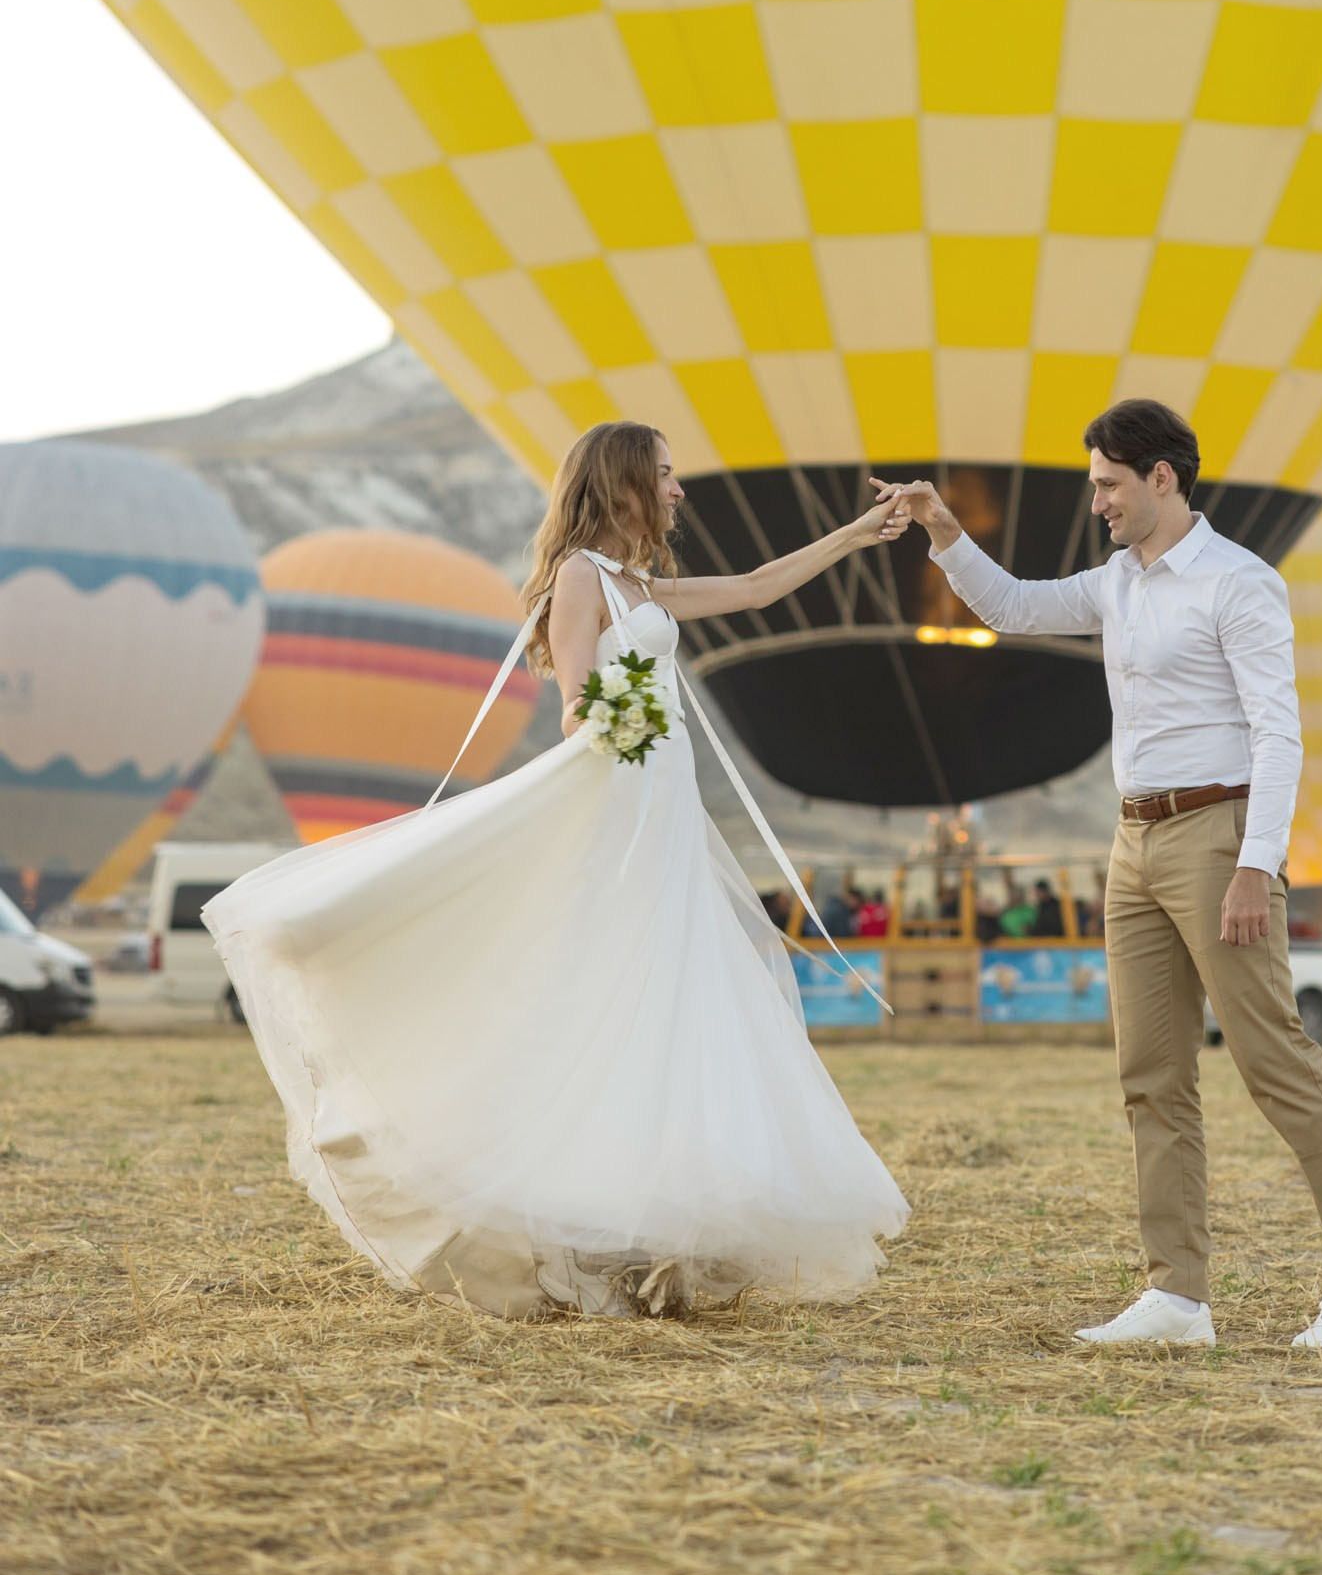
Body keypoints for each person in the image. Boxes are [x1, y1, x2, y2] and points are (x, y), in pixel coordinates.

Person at [208, 423, 911, 1320]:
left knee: (673, 997)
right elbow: (580, 708)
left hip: (664, 810)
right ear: (622, 484)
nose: (677, 491)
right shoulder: (582, 577)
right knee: (609, 990)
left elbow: (754, 587)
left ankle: (659, 1235)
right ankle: (588, 1229)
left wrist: (855, 533)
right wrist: (621, 733)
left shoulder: (637, 582)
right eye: (663, 475)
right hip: (620, 802)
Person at [882, 402, 1322, 1354]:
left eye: (1108, 485)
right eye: (1096, 485)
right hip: (1132, 844)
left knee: (1271, 1060)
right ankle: (1176, 1297)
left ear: (1161, 479)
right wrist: (943, 529)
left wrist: (1257, 866)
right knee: (1150, 1078)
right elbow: (1012, 606)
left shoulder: (1239, 585)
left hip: (1219, 838)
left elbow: (1277, 734)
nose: (1097, 504)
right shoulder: (1118, 582)